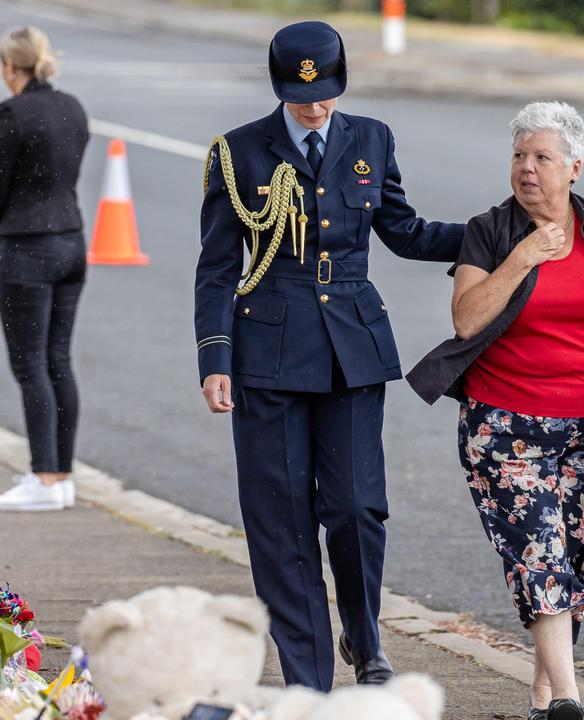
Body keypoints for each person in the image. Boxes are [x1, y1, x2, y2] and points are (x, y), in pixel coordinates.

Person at [194, 21, 464, 691]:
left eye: (326, 95)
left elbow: (402, 229)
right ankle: (307, 682)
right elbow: (217, 267)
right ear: (280, 86)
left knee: (355, 507)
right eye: (302, 97)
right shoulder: (238, 154)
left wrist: (491, 235)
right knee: (280, 518)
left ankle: (365, 640)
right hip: (268, 350)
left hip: (352, 346)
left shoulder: (371, 139)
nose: (315, 108)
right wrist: (215, 357)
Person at [407, 101, 584, 720]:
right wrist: (524, 256)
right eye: (519, 156)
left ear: (575, 167)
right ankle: (570, 701)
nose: (527, 169)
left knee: (572, 558)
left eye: (542, 158)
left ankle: (543, 692)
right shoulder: (490, 231)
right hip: (504, 429)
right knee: (540, 556)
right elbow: (467, 317)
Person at [0, 27, 89, 513]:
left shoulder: (12, 111)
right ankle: (62, 476)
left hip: (27, 244)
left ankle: (42, 477)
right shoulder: (73, 106)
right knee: (58, 359)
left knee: (29, 365)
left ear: (9, 67)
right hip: (71, 239)